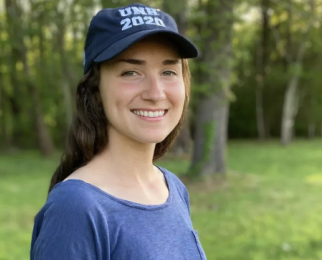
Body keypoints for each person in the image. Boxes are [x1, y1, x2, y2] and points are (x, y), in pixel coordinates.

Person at [30, 3, 206, 260]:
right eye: (131, 72)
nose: (155, 93)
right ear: (95, 89)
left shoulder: (173, 189)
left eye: (168, 71)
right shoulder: (76, 208)